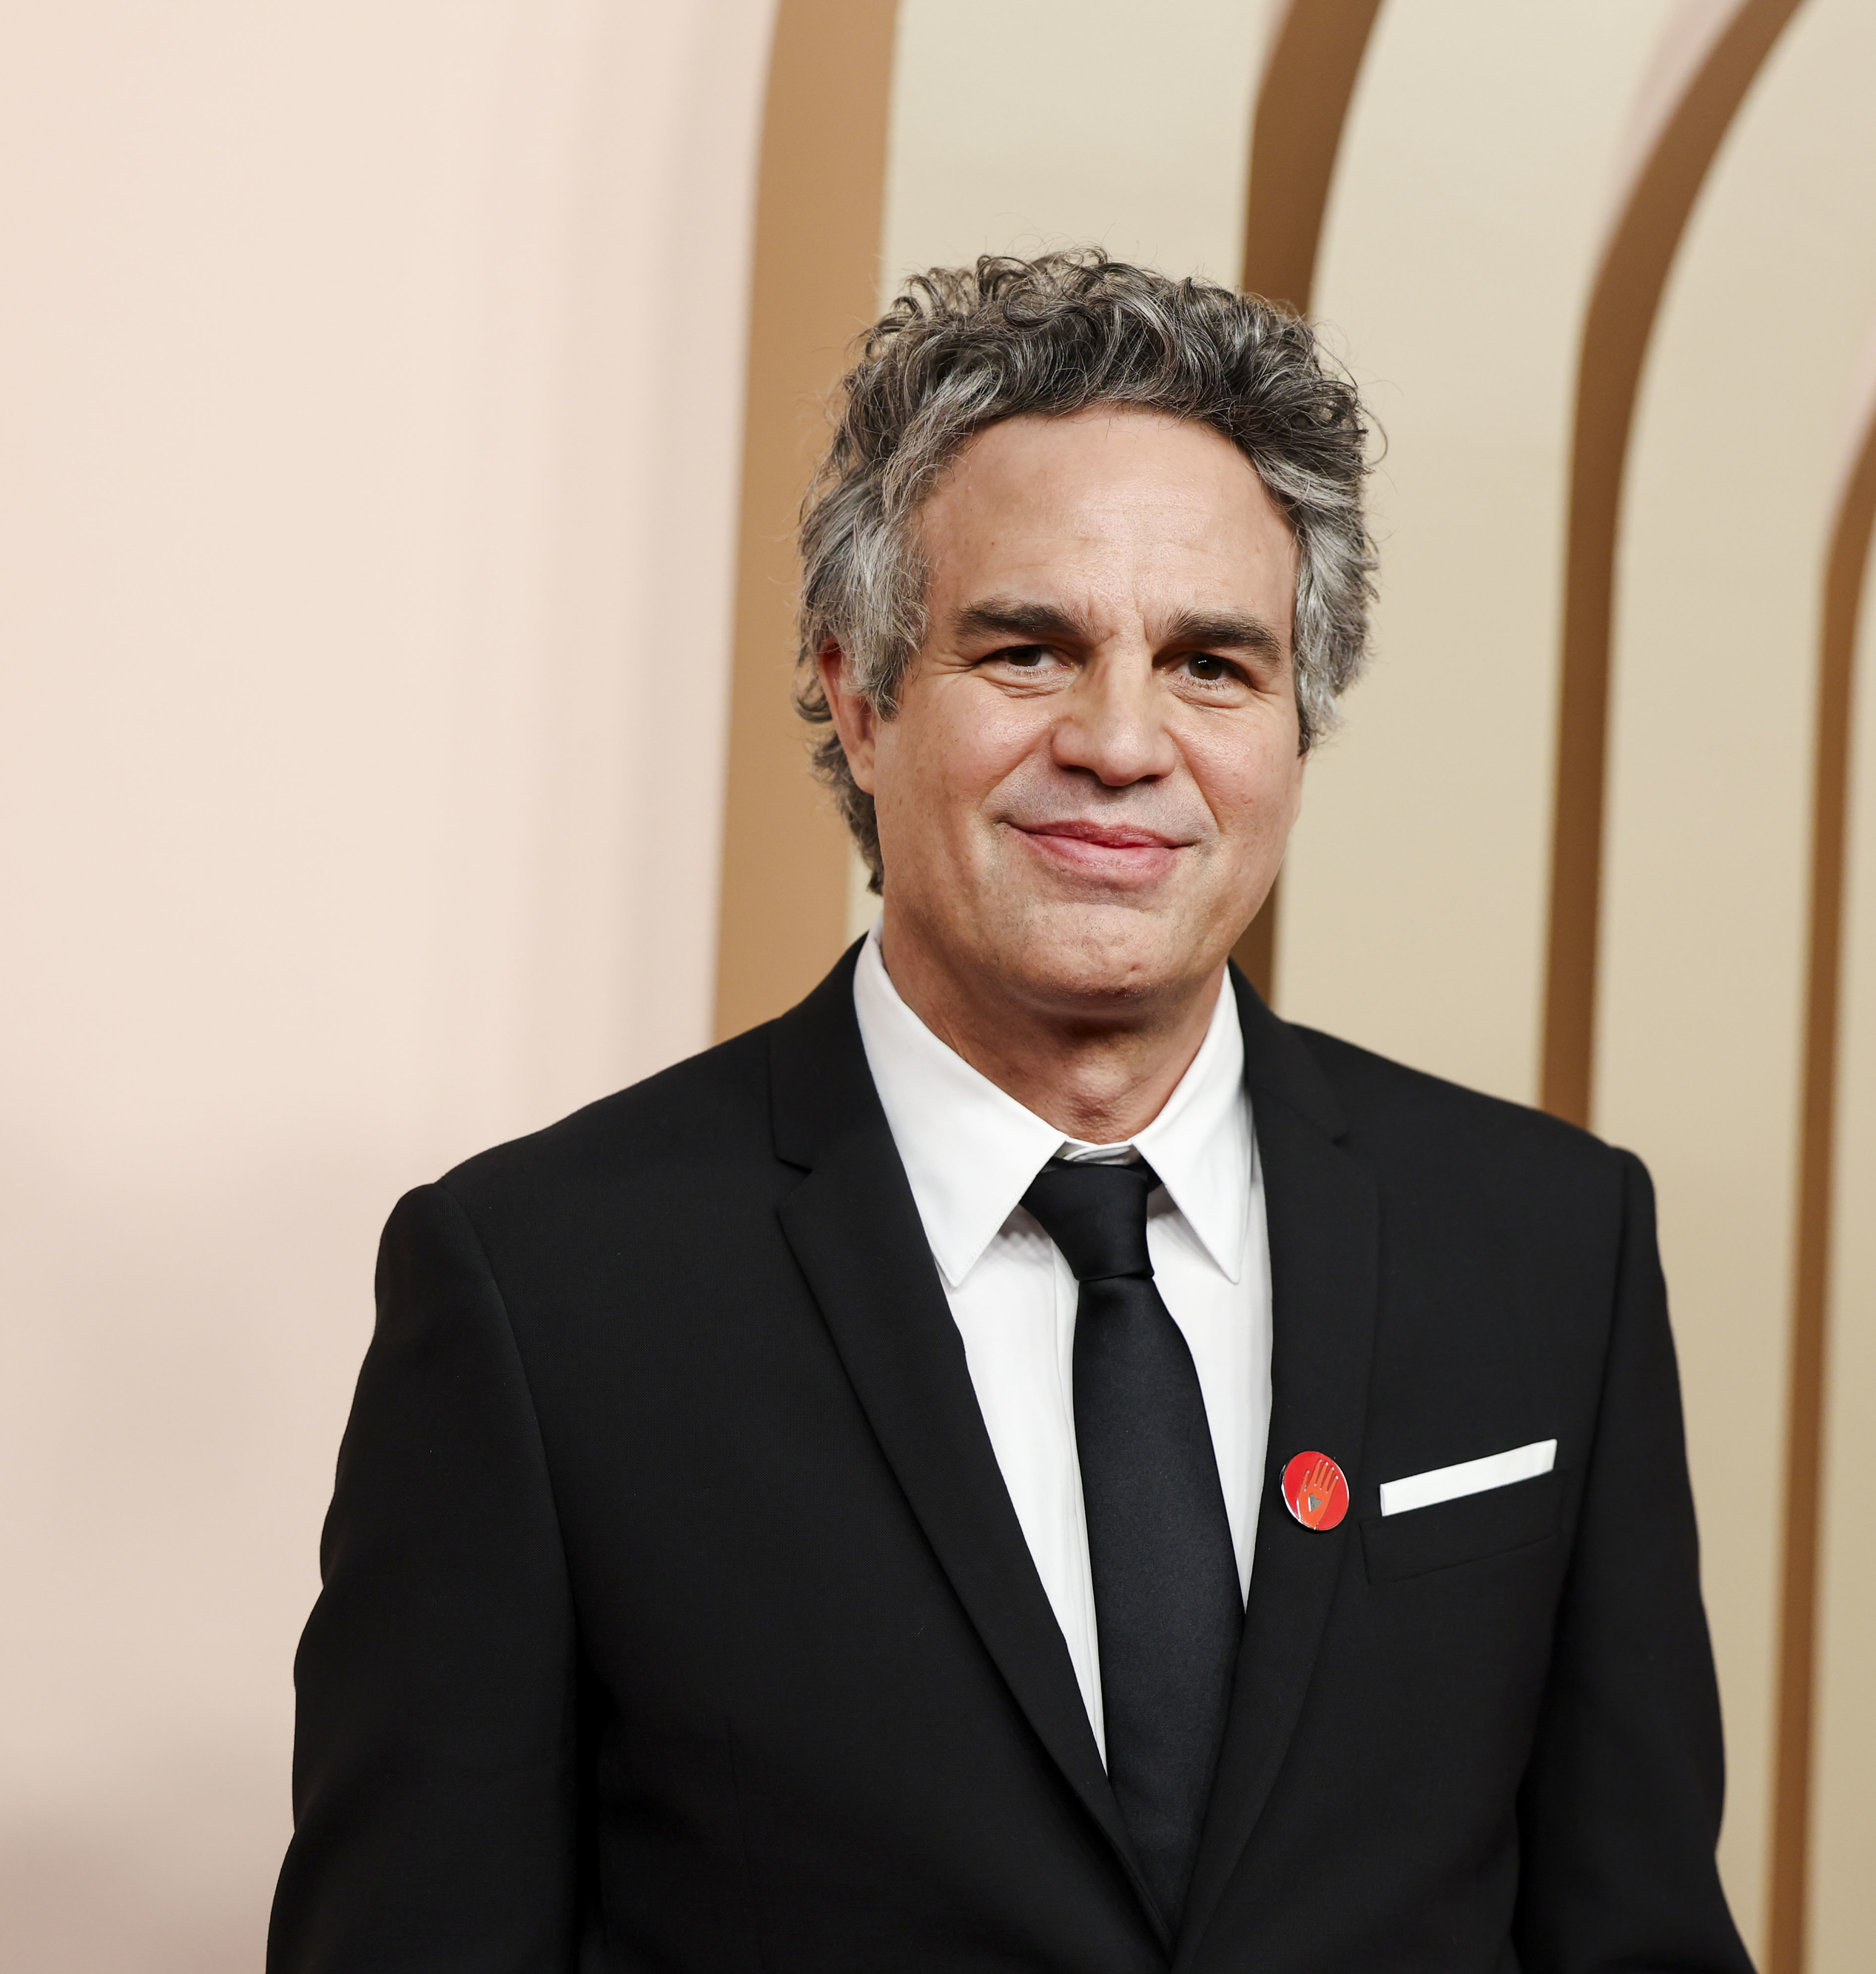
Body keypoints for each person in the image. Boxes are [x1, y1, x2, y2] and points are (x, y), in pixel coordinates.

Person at [269, 251, 1751, 1973]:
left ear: (1295, 723)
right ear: (856, 688)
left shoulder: (1547, 1246)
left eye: (1211, 663)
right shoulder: (541, 1292)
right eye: (1027, 645)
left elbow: (1635, 1930)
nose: (1122, 741)